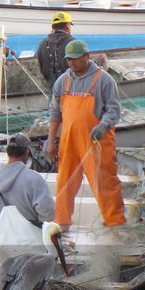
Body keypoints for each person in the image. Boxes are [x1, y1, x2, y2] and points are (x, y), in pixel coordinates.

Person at [48, 40, 125, 229]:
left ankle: (115, 223)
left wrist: (103, 125)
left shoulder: (104, 80)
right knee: (65, 181)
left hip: (96, 141)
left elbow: (114, 110)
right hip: (69, 141)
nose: (72, 63)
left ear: (86, 56)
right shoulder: (63, 81)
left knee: (104, 182)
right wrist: (50, 141)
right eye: (69, 60)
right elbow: (54, 112)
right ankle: (62, 221)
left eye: (75, 59)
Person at [0, 134, 55, 227]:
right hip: (26, 238)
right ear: (26, 152)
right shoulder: (34, 179)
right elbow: (48, 213)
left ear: (7, 152)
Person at [35, 11, 75, 81]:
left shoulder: (42, 43)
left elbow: (42, 67)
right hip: (71, 87)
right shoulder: (73, 43)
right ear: (67, 25)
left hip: (52, 85)